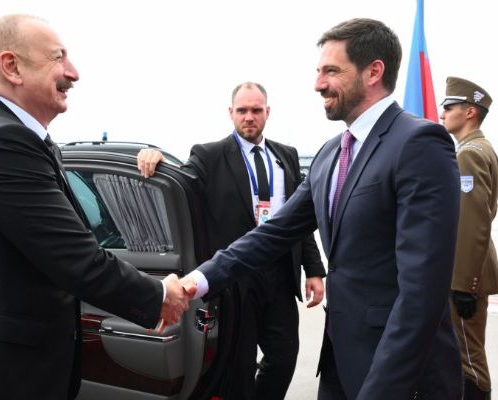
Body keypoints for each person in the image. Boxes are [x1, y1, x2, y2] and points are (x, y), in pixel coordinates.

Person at [180, 18, 464, 399]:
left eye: (331, 71)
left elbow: (422, 294)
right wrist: (197, 281)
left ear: (373, 72)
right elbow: (272, 233)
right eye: (318, 72)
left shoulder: (420, 143)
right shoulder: (330, 154)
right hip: (338, 364)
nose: (318, 84)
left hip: (397, 375)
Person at [0, 14, 193, 400]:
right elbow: (75, 258)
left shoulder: (4, 134)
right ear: (12, 67)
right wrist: (159, 295)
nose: (73, 73)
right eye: (58, 58)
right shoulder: (1, 142)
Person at [138, 82, 326, 399]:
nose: (249, 116)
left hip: (280, 274)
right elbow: (181, 185)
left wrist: (315, 269)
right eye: (242, 110)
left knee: (283, 359)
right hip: (237, 279)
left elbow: (299, 218)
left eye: (256, 110)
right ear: (231, 113)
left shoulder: (286, 156)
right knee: (240, 366)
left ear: (267, 112)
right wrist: (155, 157)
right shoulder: (209, 155)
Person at [440, 76, 497, 400]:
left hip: (466, 274)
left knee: (467, 360)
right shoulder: (478, 148)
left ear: (470, 111)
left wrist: (464, 285)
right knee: (465, 353)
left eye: (449, 107)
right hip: (471, 266)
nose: (442, 113)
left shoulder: (469, 155)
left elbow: (473, 222)